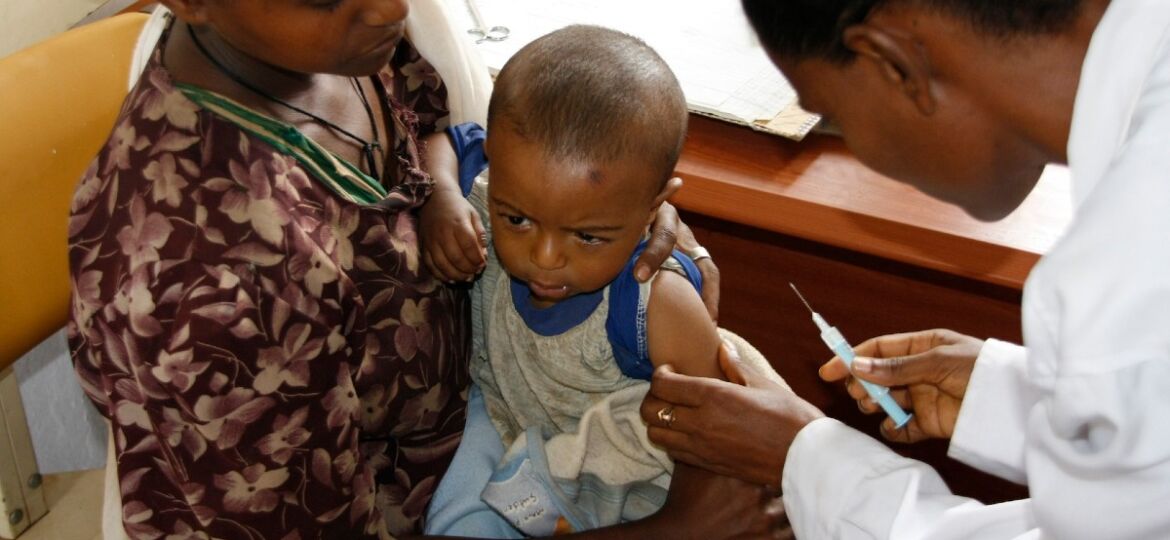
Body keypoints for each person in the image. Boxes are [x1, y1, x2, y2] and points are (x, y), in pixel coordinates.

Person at [66, 1, 733, 538]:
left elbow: (503, 144)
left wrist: (629, 226)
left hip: (490, 413)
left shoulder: (338, 43)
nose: (392, 8)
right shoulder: (203, 285)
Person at [640, 0, 1170, 538]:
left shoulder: (1125, 270)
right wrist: (1014, 398)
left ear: (894, 63)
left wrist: (807, 458)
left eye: (836, 118)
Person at [417, 25, 784, 538]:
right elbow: (448, 142)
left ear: (655, 207)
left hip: (626, 455)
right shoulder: (495, 183)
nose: (544, 258)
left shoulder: (655, 303)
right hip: (505, 413)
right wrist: (443, 197)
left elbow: (711, 425)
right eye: (516, 220)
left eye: (588, 237)